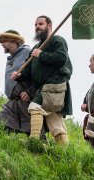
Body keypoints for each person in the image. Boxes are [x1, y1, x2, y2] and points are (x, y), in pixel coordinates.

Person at [11, 15, 72, 145]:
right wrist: (19, 75)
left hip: (55, 84)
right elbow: (29, 72)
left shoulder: (57, 40)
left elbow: (61, 58)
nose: (37, 27)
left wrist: (41, 54)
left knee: (35, 107)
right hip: (44, 87)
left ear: (49, 25)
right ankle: (64, 153)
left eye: (40, 24)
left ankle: (33, 142)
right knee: (55, 123)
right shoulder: (35, 48)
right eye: (36, 25)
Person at [0, 30, 32, 134]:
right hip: (14, 101)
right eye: (1, 41)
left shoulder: (27, 52)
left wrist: (30, 91)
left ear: (14, 41)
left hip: (25, 98)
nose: (2, 44)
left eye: (4, 41)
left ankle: (40, 143)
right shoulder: (11, 58)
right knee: (0, 122)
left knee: (33, 129)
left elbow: (34, 74)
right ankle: (7, 141)